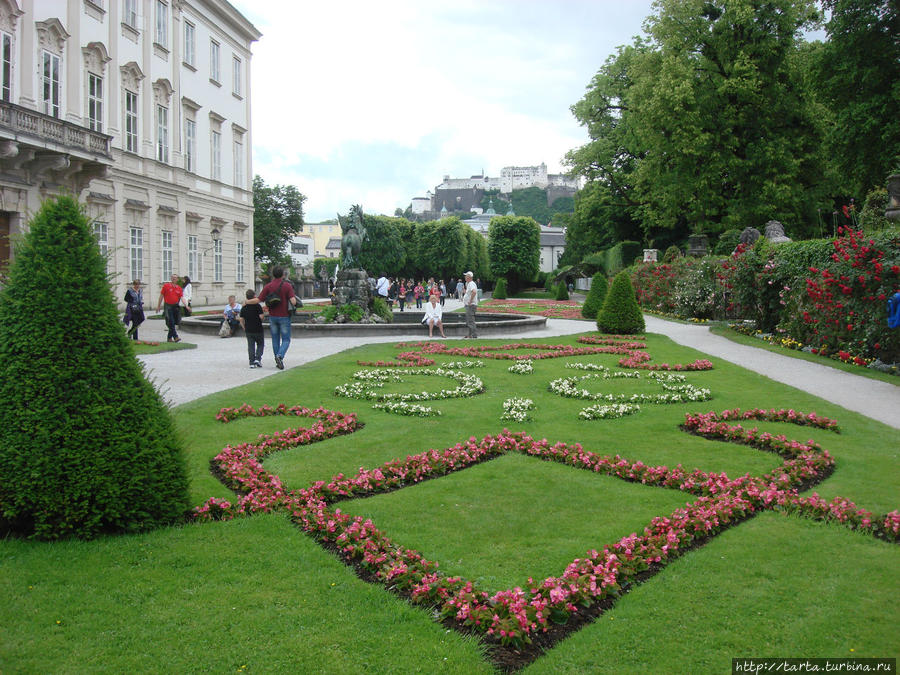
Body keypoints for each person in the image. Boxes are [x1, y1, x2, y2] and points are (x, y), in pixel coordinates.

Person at [258, 266, 297, 370]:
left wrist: (247, 302)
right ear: (283, 274)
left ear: (273, 274)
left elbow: (260, 299)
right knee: (286, 339)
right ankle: (280, 356)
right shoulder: (287, 286)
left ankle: (277, 358)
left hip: (273, 316)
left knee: (275, 339)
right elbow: (293, 301)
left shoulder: (268, 286)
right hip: (284, 316)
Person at [157, 273, 187, 342]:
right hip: (168, 306)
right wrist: (158, 306)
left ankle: (169, 338)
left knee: (176, 322)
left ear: (177, 279)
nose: (174, 279)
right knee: (171, 321)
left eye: (175, 278)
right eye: (173, 277)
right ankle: (176, 337)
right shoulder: (166, 286)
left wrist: (186, 306)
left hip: (175, 306)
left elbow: (182, 297)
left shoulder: (179, 288)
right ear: (171, 278)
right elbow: (161, 296)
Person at [239, 289, 265, 368]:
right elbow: (261, 317)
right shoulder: (257, 306)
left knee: (251, 346)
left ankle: (251, 362)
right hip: (258, 328)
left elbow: (241, 319)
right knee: (260, 344)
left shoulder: (244, 307)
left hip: (249, 329)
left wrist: (244, 327)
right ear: (254, 296)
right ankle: (258, 359)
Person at [463, 270, 478, 338]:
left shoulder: (471, 283)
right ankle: (470, 334)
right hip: (470, 305)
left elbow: (474, 292)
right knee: (469, 320)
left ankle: (473, 335)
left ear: (469, 277)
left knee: (470, 321)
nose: (465, 277)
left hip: (471, 305)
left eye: (466, 276)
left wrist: (470, 301)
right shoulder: (469, 284)